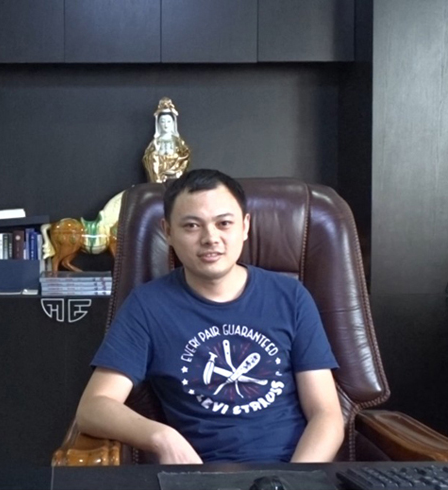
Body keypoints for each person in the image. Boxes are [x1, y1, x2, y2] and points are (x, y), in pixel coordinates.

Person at [75, 169, 344, 464]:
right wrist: (162, 437)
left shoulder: (290, 296)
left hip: (294, 469)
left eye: (224, 223)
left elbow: (326, 414)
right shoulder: (147, 306)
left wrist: (296, 480)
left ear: (245, 226)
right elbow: (94, 407)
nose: (210, 238)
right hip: (202, 475)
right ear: (168, 231)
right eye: (192, 226)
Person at [142, 98, 190, 183]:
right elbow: (148, 158)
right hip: (160, 173)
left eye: (168, 121)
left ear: (173, 123)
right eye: (162, 122)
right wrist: (155, 153)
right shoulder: (156, 141)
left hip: (175, 171)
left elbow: (185, 155)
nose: (165, 125)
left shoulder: (177, 141)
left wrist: (176, 163)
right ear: (159, 124)